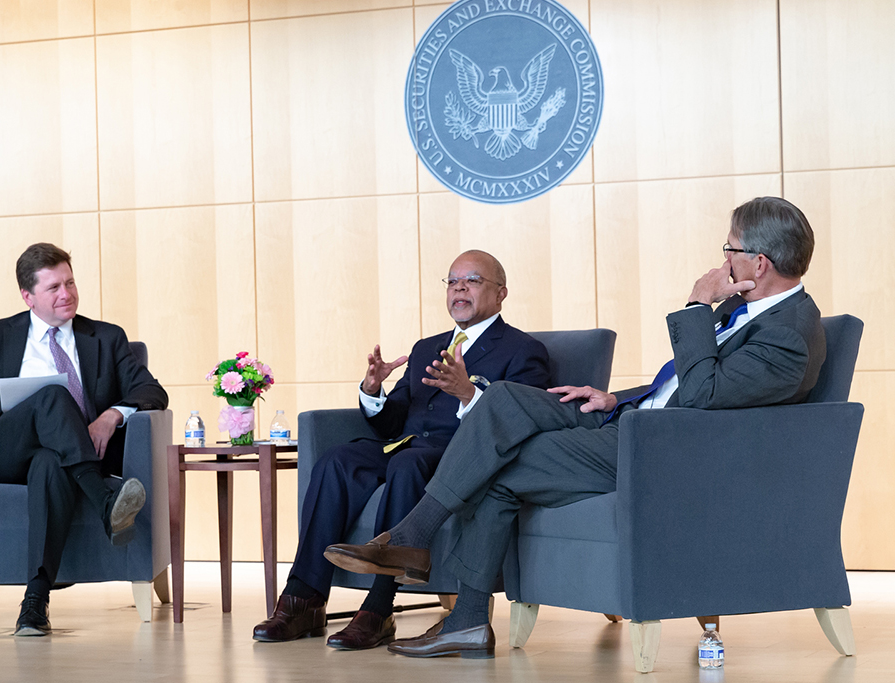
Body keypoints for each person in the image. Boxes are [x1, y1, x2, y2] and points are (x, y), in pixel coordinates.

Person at [325, 196, 827, 659]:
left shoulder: (788, 336)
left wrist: (697, 305)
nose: (723, 263)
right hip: (634, 419)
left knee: (499, 466)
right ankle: (424, 555)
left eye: (730, 250)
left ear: (758, 263)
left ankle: (458, 603)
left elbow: (703, 393)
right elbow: (685, 384)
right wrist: (617, 397)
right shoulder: (753, 312)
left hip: (660, 450)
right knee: (500, 400)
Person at [253, 250, 551, 649]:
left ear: (501, 294)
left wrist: (468, 393)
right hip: (404, 446)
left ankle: (378, 608)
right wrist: (373, 391)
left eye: (473, 280)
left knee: (408, 464)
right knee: (336, 461)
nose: (460, 287)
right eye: (452, 280)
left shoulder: (522, 349)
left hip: (461, 458)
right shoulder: (427, 347)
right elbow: (394, 420)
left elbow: (521, 417)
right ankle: (304, 597)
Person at [0, 243, 168, 637]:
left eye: (70, 282)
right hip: (1, 452)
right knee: (51, 395)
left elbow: (152, 391)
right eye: (53, 288)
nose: (66, 294)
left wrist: (111, 415)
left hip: (64, 457)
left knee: (49, 462)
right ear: (28, 296)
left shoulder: (106, 337)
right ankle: (104, 501)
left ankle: (35, 603)